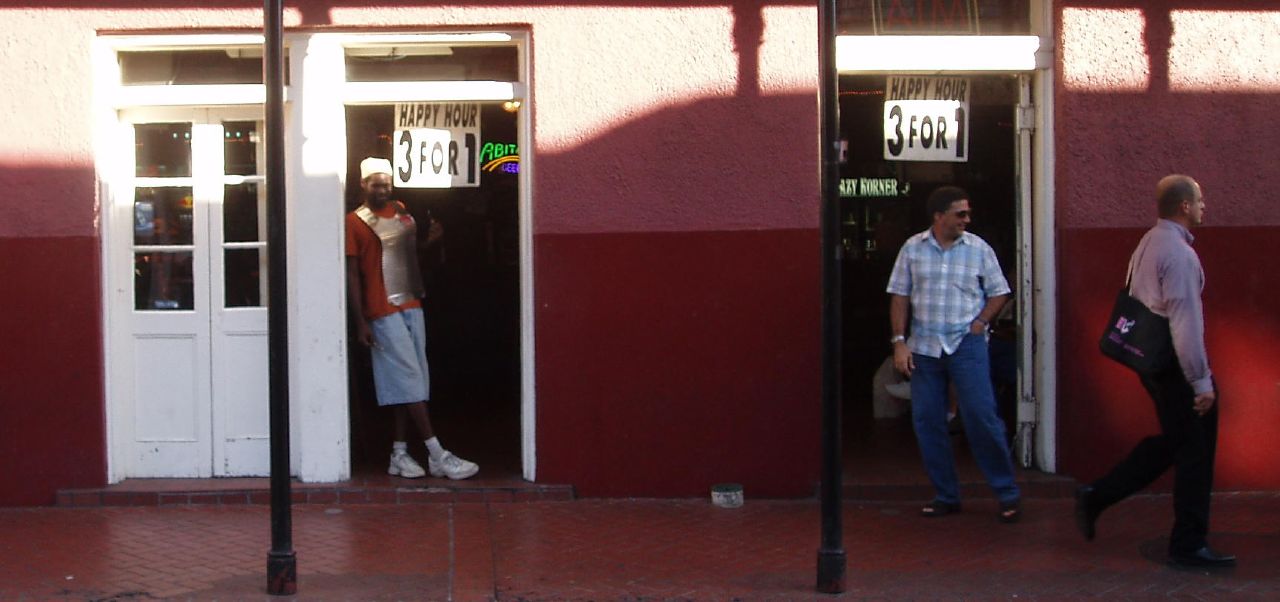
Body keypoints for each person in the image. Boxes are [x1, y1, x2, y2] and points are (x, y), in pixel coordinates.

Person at [1074, 175, 1233, 567]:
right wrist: (1201, 382)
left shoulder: (1149, 241)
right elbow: (1185, 324)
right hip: (1176, 365)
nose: (1203, 207)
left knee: (1178, 442)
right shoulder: (1179, 255)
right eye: (1199, 201)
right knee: (1195, 452)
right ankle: (1188, 545)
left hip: (1151, 362)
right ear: (1184, 206)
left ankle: (1100, 495)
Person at [886, 185, 1021, 522]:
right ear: (938, 215)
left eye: (967, 213)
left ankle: (1007, 493)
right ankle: (946, 494)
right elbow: (900, 296)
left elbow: (999, 292)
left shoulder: (978, 249)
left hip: (966, 343)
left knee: (981, 416)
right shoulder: (912, 249)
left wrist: (980, 323)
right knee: (928, 421)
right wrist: (899, 341)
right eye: (960, 213)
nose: (967, 219)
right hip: (925, 347)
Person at [345, 157, 479, 480]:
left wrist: (430, 242)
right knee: (410, 378)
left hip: (411, 302)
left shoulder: (402, 209)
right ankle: (437, 454)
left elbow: (406, 254)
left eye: (386, 184)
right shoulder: (353, 221)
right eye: (376, 184)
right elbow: (352, 275)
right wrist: (360, 321)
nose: (382, 190)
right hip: (381, 309)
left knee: (410, 380)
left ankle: (399, 453)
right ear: (363, 185)